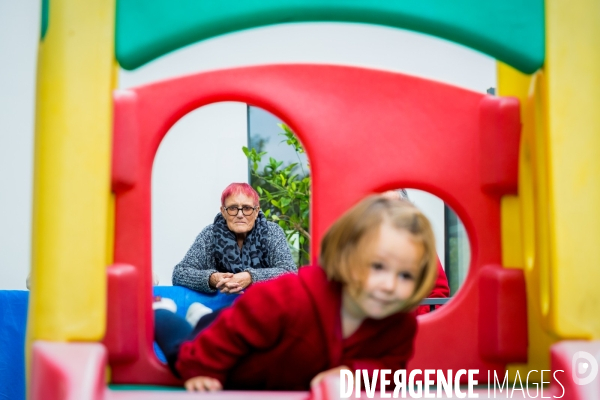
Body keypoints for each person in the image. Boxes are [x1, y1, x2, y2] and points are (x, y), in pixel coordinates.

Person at [155, 195, 439, 392]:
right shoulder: (289, 298)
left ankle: (201, 315)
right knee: (182, 346)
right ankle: (162, 312)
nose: (390, 285)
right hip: (227, 340)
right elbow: (232, 331)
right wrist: (202, 369)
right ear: (346, 257)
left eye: (405, 275)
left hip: (267, 361)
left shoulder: (399, 325)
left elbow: (390, 371)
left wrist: (354, 373)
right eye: (378, 266)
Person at [172, 183, 297, 294]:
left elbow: (290, 273)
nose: (240, 215)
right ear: (223, 212)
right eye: (233, 208)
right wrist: (212, 278)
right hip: (221, 309)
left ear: (257, 211)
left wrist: (250, 277)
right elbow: (180, 273)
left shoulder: (272, 232)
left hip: (265, 307)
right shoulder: (210, 234)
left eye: (247, 208)